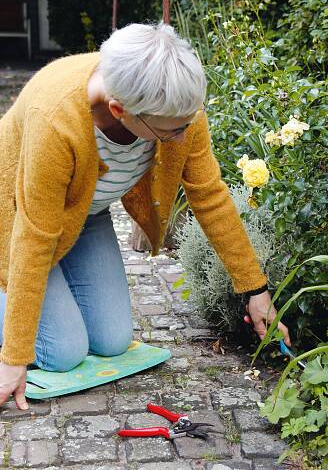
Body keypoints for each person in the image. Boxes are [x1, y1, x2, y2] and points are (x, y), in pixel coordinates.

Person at [0, 23, 290, 410]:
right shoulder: (55, 117)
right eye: (173, 132)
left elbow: (211, 198)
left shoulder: (176, 106)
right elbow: (34, 238)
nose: (185, 138)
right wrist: (13, 358)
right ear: (120, 111)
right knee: (63, 353)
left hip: (85, 216)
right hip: (15, 219)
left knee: (113, 340)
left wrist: (256, 291)